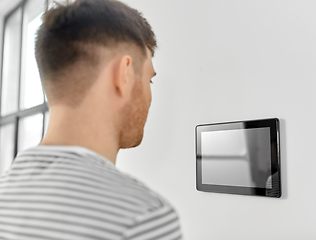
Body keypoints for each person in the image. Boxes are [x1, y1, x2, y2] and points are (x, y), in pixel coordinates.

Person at [0, 0, 182, 239]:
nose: (149, 95)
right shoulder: (143, 217)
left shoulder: (6, 194)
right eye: (149, 80)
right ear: (124, 74)